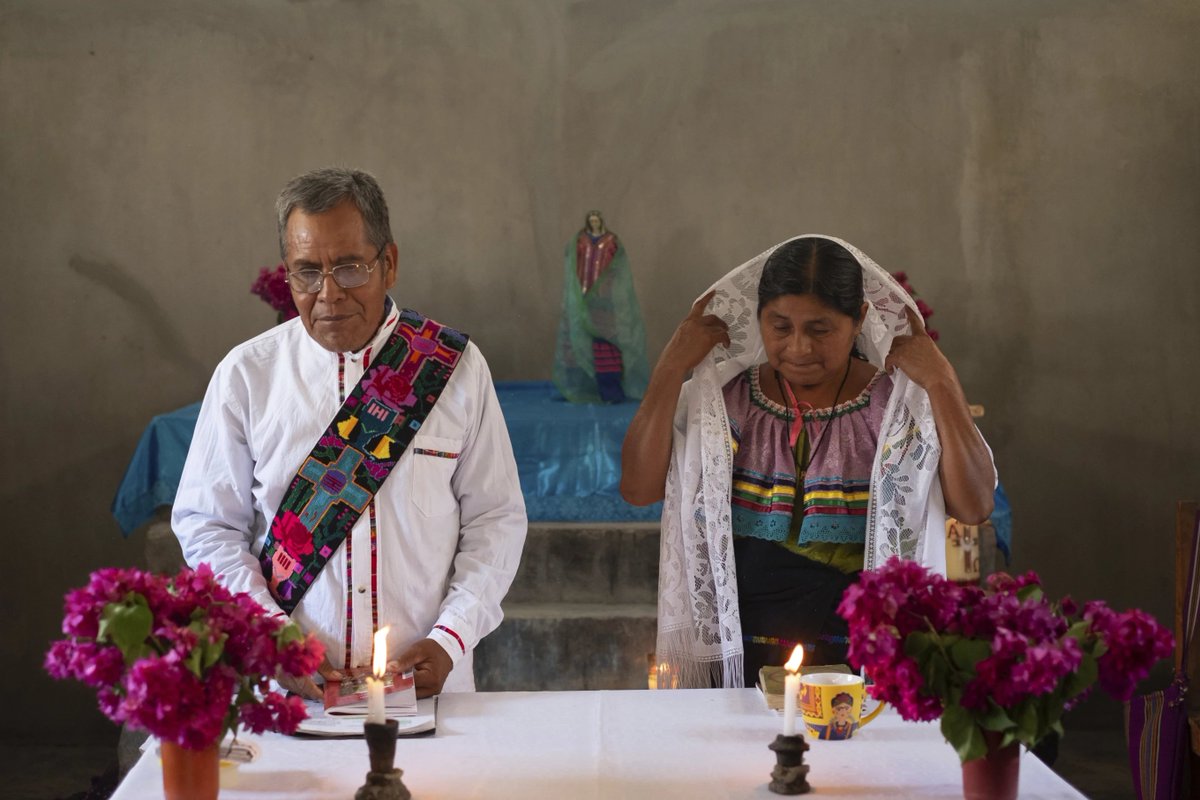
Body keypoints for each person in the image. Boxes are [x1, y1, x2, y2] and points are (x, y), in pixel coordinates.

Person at [173, 167, 527, 698]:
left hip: (429, 690)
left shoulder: (453, 369)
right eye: (307, 272)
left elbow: (495, 519)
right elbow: (208, 528)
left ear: (390, 264)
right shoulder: (246, 376)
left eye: (350, 268)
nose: (329, 293)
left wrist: (451, 638)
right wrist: (274, 638)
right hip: (292, 697)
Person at [621, 235, 995, 688]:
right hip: (742, 654)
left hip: (854, 663)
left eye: (820, 330)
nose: (798, 348)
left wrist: (941, 382)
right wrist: (670, 366)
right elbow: (638, 488)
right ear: (758, 317)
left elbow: (974, 506)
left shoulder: (893, 409)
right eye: (780, 327)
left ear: (859, 320)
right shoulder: (724, 402)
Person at [552, 210, 649, 403]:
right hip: (583, 296)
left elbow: (617, 266)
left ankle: (610, 388)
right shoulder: (580, 241)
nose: (595, 223)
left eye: (597, 220)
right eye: (592, 221)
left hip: (604, 297)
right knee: (578, 338)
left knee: (605, 338)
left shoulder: (610, 241)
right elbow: (572, 258)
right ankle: (583, 386)